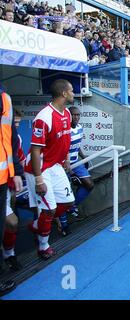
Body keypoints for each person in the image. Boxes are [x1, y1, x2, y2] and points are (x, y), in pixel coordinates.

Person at [24, 79, 75, 259]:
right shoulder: (43, 117)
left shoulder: (67, 113)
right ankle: (43, 246)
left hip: (55, 165)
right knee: (49, 210)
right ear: (63, 94)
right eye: (71, 91)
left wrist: (66, 158)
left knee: (68, 201)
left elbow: (65, 139)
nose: (73, 94)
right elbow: (36, 151)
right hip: (38, 167)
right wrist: (38, 179)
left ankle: (39, 224)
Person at [0, 87, 23, 296]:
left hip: (3, 181)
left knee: (12, 223)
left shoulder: (5, 98)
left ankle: (9, 254)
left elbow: (11, 143)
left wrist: (15, 173)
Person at [56, 106, 93, 236]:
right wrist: (68, 169)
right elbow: (60, 148)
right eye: (73, 115)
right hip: (63, 164)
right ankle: (64, 225)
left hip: (76, 162)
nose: (76, 117)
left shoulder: (80, 128)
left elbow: (77, 146)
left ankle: (72, 206)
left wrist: (84, 157)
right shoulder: (64, 130)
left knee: (89, 184)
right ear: (68, 116)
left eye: (78, 115)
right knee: (63, 195)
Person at [2, 110, 26, 271]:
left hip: (4, 187)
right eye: (14, 123)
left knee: (13, 222)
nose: (15, 127)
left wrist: (17, 179)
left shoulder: (14, 138)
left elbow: (20, 160)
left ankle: (9, 254)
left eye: (17, 123)